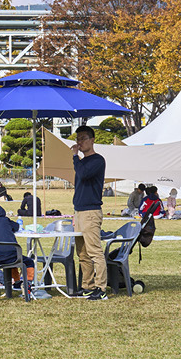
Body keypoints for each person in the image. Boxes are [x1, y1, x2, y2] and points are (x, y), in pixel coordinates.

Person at [71, 125, 108, 300]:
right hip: (79, 211)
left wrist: (74, 156)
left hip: (91, 211)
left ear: (92, 140)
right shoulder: (81, 162)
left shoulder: (97, 160)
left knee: (94, 251)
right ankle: (87, 286)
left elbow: (84, 174)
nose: (80, 142)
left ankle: (101, 288)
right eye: (78, 139)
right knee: (82, 253)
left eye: (83, 138)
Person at [0, 201, 34, 287]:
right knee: (28, 262)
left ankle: (17, 282)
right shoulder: (6, 220)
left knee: (11, 262)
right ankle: (28, 282)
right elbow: (16, 226)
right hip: (11, 255)